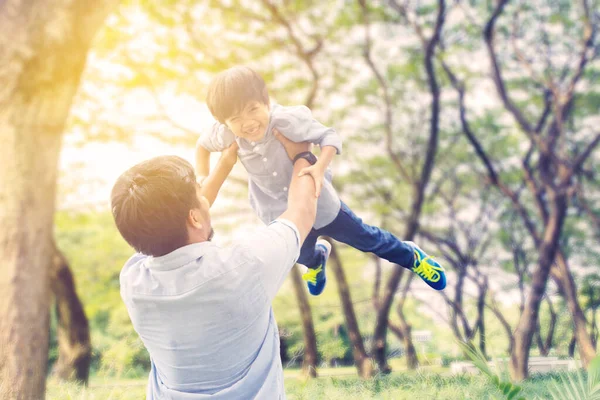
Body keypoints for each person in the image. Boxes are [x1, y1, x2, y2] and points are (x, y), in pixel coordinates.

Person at [195, 65, 446, 295]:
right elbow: (202, 146)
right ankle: (317, 261)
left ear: (266, 101)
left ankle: (411, 256)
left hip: (321, 204)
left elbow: (329, 137)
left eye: (253, 109)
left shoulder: (286, 120)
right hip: (281, 215)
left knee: (368, 239)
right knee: (301, 256)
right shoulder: (227, 135)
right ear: (224, 122)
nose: (248, 122)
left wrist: (319, 169)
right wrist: (203, 176)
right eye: (236, 119)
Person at [111, 135, 318, 399]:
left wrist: (223, 165)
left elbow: (160, 226)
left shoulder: (134, 284)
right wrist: (303, 156)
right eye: (200, 193)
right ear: (194, 216)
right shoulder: (245, 266)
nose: (205, 196)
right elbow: (302, 211)